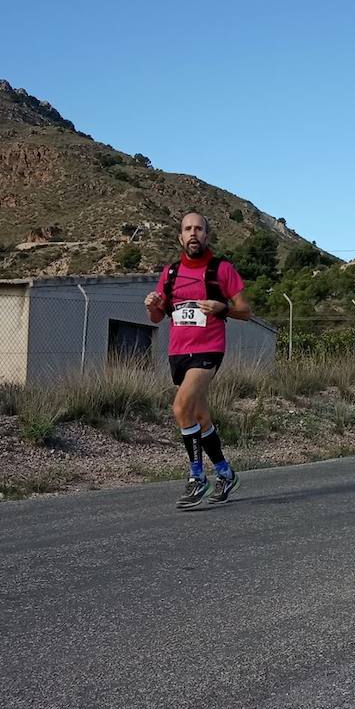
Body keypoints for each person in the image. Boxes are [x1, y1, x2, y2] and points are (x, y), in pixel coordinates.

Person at [144, 211, 252, 508]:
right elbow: (157, 316)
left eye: (199, 229)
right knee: (201, 417)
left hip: (208, 351)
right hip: (178, 352)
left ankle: (197, 477)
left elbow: (245, 311)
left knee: (181, 407)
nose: (193, 234)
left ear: (207, 235)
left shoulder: (222, 270)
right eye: (188, 229)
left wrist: (222, 308)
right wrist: (151, 305)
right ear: (180, 236)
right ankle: (225, 473)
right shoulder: (171, 273)